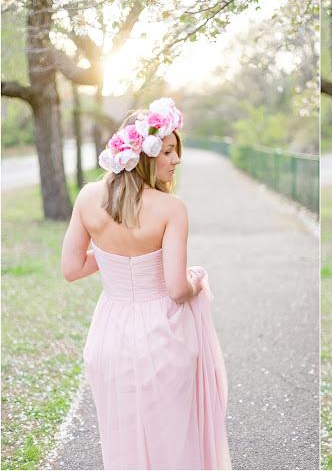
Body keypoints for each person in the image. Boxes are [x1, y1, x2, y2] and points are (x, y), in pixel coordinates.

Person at [61, 98, 231, 469]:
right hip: (161, 337)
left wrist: (111, 257)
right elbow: (175, 289)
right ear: (144, 155)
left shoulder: (88, 197)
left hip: (109, 335)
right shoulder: (171, 208)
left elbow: (71, 268)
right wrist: (197, 283)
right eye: (168, 151)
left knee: (125, 440)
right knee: (171, 439)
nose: (176, 159)